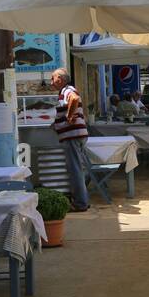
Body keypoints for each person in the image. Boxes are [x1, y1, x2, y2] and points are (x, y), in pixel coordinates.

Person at [51, 68, 91, 212]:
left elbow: (74, 99)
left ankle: (80, 203)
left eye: (53, 78)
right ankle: (84, 199)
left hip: (72, 136)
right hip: (76, 135)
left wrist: (68, 116)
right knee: (78, 169)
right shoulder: (64, 92)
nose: (51, 82)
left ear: (60, 79)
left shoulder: (67, 90)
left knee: (75, 170)